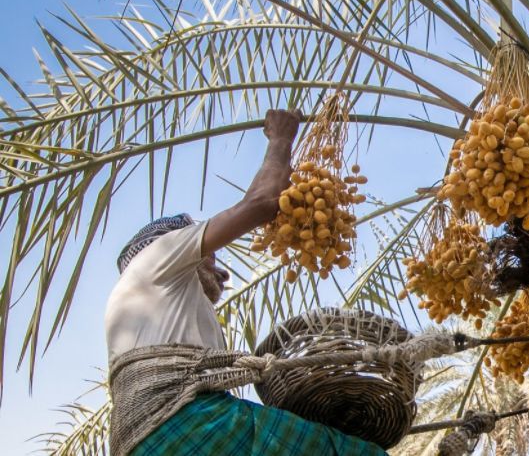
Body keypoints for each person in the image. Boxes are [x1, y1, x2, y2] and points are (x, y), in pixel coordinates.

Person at [105, 109, 387, 456]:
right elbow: (263, 204)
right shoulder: (157, 254)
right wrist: (281, 138)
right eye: (207, 254)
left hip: (142, 442)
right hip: (185, 424)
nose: (220, 268)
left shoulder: (155, 304)